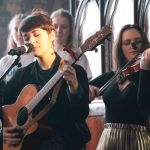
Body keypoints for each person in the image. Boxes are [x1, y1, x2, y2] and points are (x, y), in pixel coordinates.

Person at [3, 9, 90, 150]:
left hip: (65, 144)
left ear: (52, 34)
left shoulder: (76, 72)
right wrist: (2, 131)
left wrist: (74, 89)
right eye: (26, 37)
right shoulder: (22, 75)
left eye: (36, 35)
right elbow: (4, 104)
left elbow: (80, 115)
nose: (31, 41)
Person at [89, 24, 150, 150]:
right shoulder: (111, 76)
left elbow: (144, 106)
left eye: (138, 41)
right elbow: (82, 90)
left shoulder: (146, 76)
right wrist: (88, 90)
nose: (133, 46)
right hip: (108, 141)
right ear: (120, 48)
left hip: (136, 142)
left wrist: (145, 71)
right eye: (127, 42)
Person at [50, 8, 93, 81]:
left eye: (64, 27)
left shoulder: (79, 56)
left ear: (70, 30)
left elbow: (85, 86)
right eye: (55, 26)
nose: (58, 30)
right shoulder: (42, 54)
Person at [0, 13, 34, 84]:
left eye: (22, 29)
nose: (19, 33)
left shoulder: (37, 58)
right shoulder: (4, 61)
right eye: (16, 29)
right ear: (11, 32)